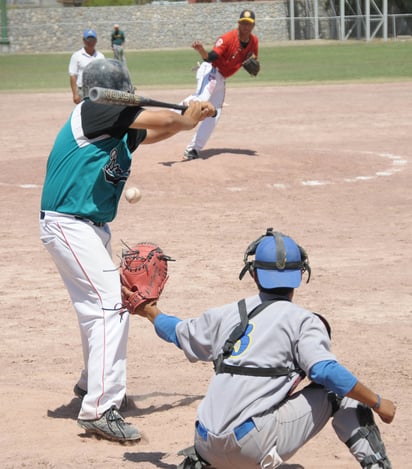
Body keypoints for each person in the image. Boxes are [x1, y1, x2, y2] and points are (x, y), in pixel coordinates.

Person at [39, 58, 215, 443]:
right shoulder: (92, 111)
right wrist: (186, 119)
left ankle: (91, 385)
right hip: (70, 223)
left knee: (97, 309)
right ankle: (100, 409)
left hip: (88, 228)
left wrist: (189, 118)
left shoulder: (118, 126)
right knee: (112, 308)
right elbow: (166, 122)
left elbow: (151, 133)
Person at [123, 228, 396, 468]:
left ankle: (213, 462)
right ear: (301, 275)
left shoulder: (226, 315)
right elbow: (326, 371)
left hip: (205, 443)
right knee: (340, 391)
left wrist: (151, 312)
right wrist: (379, 403)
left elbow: (177, 333)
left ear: (253, 274)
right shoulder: (304, 322)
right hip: (253, 448)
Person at [182, 9, 259, 160]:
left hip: (221, 78)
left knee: (214, 114)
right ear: (238, 23)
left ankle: (193, 149)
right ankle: (174, 111)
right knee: (200, 100)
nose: (245, 27)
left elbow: (254, 58)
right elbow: (211, 57)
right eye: (243, 23)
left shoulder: (254, 41)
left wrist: (255, 66)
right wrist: (201, 50)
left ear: (253, 25)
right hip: (211, 70)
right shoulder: (227, 38)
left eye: (248, 24)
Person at [69, 29, 105, 105]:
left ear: (96, 41)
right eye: (88, 40)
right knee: (82, 112)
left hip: (97, 89)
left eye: (93, 40)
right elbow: (73, 75)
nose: (90, 43)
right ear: (84, 41)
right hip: (82, 90)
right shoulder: (76, 56)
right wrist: (75, 94)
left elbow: (104, 75)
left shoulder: (101, 56)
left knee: (97, 112)